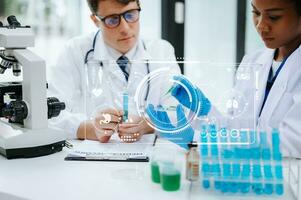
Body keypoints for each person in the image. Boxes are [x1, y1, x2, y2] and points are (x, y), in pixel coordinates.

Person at [147, 0, 301, 157]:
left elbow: (289, 141)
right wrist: (205, 110)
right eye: (256, 13)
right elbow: (236, 128)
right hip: (242, 172)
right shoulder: (254, 61)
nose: (261, 25)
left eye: (274, 17)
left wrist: (197, 139)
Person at [47, 0, 180, 143]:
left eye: (130, 15)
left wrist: (147, 124)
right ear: (95, 20)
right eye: (112, 19)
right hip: (89, 160)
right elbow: (49, 115)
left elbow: (180, 111)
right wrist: (90, 129)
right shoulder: (74, 51)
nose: (125, 28)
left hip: (148, 156)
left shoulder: (161, 51)